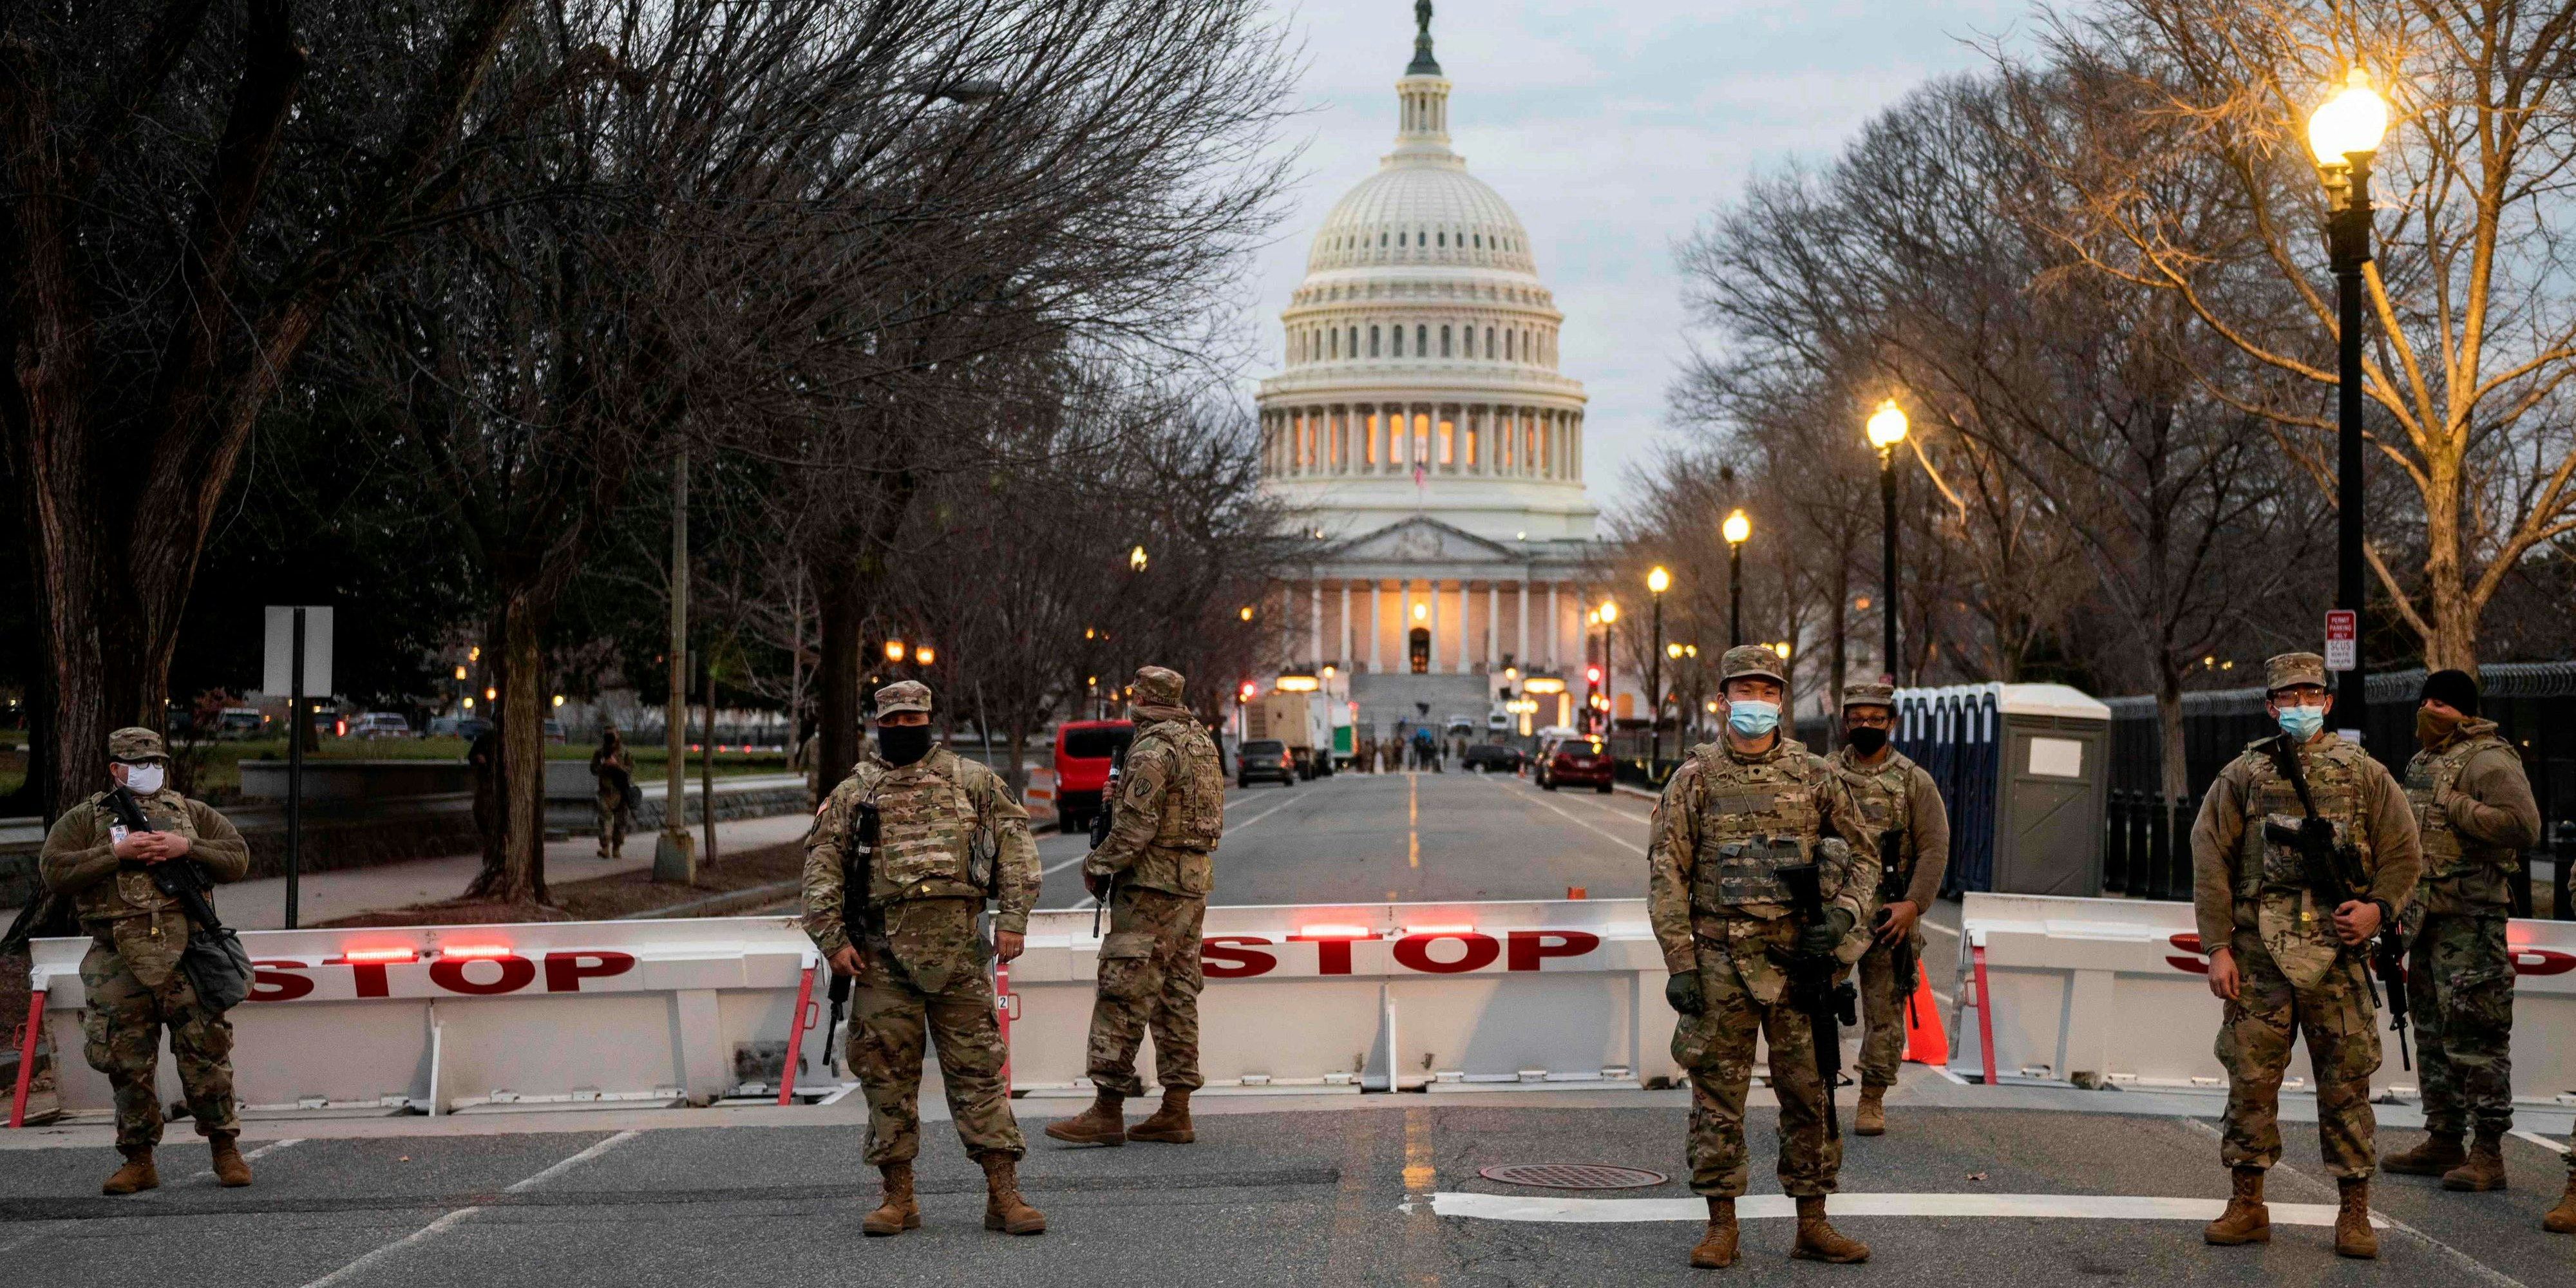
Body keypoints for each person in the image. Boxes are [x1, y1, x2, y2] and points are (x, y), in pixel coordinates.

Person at [1649, 645, 1880, 1267]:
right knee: (1717, 1097)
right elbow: (1667, 872)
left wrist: (1840, 920)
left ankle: (1812, 1222)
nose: (1756, 703)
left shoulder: (1817, 777)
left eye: (1767, 691)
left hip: (1797, 961)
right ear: (1723, 700)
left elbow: (1865, 857)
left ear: (1781, 701)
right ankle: (1721, 1225)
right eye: (1744, 691)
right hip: (1721, 960)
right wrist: (1680, 964)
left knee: (1811, 1094)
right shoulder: (1695, 779)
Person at [2189, 652, 2421, 1260]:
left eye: (2309, 694)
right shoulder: (2243, 775)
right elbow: (2210, 859)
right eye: (2287, 697)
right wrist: (2218, 947)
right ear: (2270, 706)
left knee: (2347, 1085)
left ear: (2327, 700)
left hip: (2337, 957)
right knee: (2250, 1083)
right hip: (2258, 956)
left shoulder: (2367, 775)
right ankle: (2247, 1203)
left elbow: (2404, 853)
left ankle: (2354, 1212)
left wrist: (2377, 909)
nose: (2299, 705)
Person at [802, 681, 1045, 1237]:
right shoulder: (855, 792)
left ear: (930, 720)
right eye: (896, 721)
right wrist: (833, 939)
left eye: (916, 720)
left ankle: (1003, 1194)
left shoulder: (972, 781)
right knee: (886, 1076)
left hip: (959, 953)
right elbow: (821, 867)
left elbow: (1015, 845)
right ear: (880, 724)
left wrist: (1012, 918)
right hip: (881, 957)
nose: (906, 729)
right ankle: (898, 1197)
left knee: (979, 1072)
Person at [37, 727, 254, 1195]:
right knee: (126, 1062)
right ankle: (138, 1160)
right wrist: (116, 854)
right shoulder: (85, 819)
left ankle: (225, 1149)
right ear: (115, 769)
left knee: (206, 1054)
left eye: (156, 762)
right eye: (138, 764)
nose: (149, 771)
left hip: (188, 955)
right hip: (117, 958)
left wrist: (186, 847)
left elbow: (237, 858)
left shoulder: (191, 813)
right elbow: (55, 870)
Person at [1048, 666, 1226, 1148]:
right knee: (1177, 994)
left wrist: (1097, 864)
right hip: (1191, 885)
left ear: (1142, 700)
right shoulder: (1201, 743)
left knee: (1123, 992)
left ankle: (1107, 1109)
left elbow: (1134, 830)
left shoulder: (1152, 748)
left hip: (1150, 887)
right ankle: (1176, 1108)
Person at [2380, 669, 2540, 1195]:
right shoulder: (2424, 760)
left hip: (2472, 922)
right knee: (2431, 1035)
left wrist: (2460, 807)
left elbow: (2524, 825)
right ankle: (2444, 1137)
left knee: (2477, 1037)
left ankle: (2488, 1153)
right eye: (2425, 700)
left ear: (2465, 712)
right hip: (2426, 920)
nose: (2429, 710)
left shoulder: (2490, 760)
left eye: (2441, 704)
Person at [1831, 682, 1948, 1136]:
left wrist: (1912, 906)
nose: (1866, 726)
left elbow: (1934, 849)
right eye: (1857, 718)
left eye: (1875, 719)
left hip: (1889, 918)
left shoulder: (1914, 781)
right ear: (1846, 722)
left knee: (1885, 1012)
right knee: (1809, 1007)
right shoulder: (1825, 776)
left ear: (1891, 723)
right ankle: (1816, 1095)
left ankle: (1871, 1099)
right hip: (1836, 916)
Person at [589, 725, 634, 859]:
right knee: (604, 820)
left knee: (621, 823)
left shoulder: (625, 752)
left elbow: (630, 769)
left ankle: (617, 848)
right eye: (606, 735)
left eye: (611, 735)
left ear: (617, 735)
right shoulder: (600, 752)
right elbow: (593, 769)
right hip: (605, 791)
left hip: (620, 792)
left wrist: (617, 766)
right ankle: (605, 847)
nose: (609, 738)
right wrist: (604, 766)